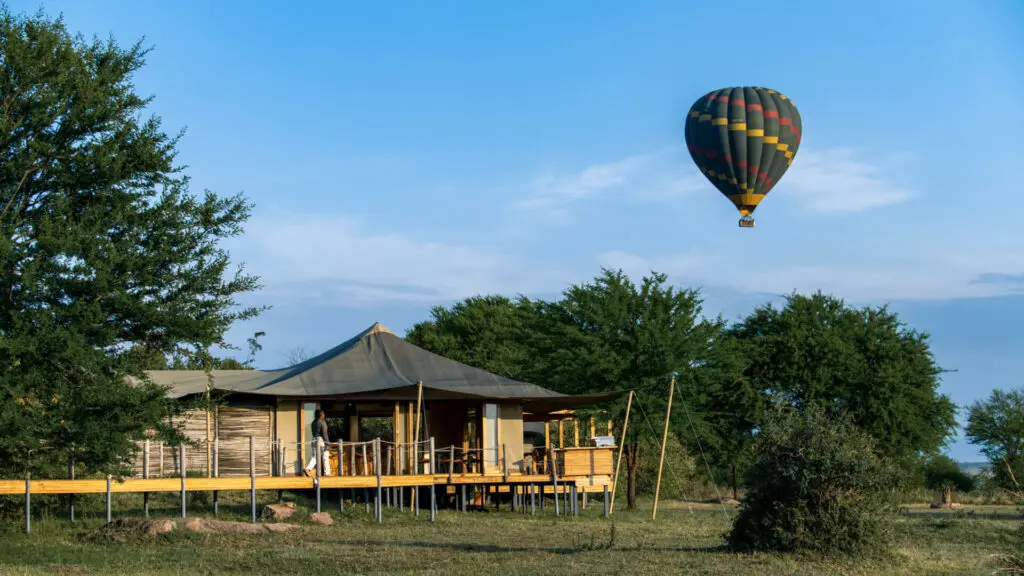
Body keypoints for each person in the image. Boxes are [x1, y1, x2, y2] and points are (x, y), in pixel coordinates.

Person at [303, 409, 332, 476]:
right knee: (325, 456)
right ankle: (327, 473)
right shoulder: (322, 422)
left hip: (313, 439)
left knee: (314, 457)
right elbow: (325, 434)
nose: (324, 415)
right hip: (321, 440)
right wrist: (328, 444)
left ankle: (308, 468)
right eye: (323, 414)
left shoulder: (313, 423)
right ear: (321, 415)